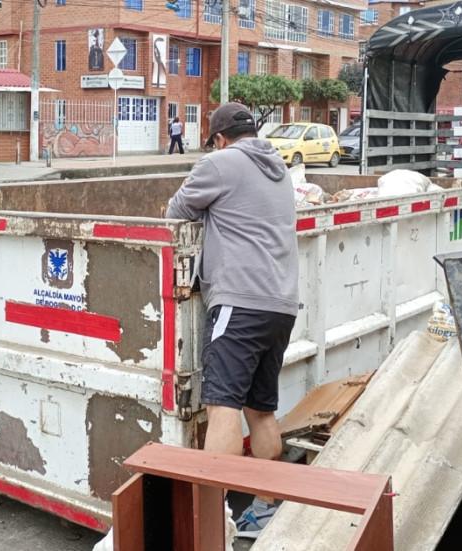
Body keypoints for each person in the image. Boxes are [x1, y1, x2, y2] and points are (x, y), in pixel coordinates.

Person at [165, 102, 298, 539]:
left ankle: (209, 515)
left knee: (222, 407)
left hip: (239, 304)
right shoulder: (279, 166)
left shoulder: (218, 164)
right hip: (281, 304)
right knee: (261, 410)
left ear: (219, 138)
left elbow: (176, 210)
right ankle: (266, 507)